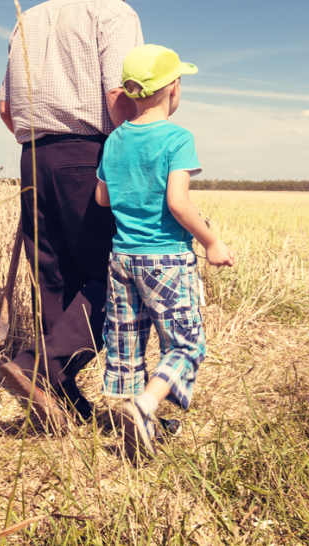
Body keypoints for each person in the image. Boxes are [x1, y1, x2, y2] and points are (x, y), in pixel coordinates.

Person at [0, 0, 142, 432]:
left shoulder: (27, 20)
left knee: (52, 282)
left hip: (32, 158)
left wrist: (42, 139)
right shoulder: (114, 13)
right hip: (88, 156)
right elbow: (119, 104)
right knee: (116, 280)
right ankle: (39, 367)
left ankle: (57, 405)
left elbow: (5, 108)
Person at [94, 44, 235, 461]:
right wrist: (211, 241)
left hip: (121, 258)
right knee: (187, 345)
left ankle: (138, 427)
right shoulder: (178, 137)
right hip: (166, 259)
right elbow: (178, 202)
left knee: (128, 345)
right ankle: (145, 405)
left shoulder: (116, 139)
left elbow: (102, 198)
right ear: (173, 88)